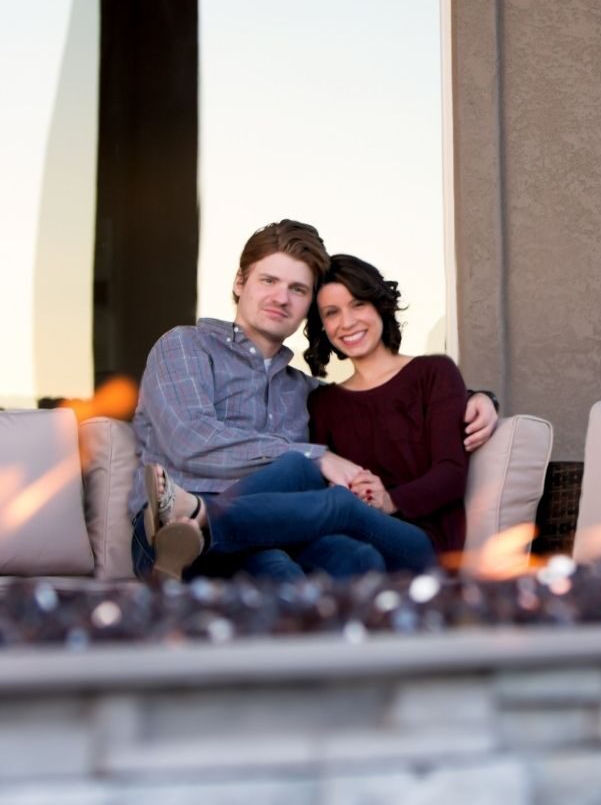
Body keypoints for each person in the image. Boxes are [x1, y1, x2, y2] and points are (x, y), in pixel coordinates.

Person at [129, 219, 498, 581]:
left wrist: (476, 398)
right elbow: (190, 442)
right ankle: (194, 520)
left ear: (308, 308)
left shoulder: (306, 392)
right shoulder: (185, 346)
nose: (281, 298)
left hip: (275, 532)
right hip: (166, 535)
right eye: (269, 280)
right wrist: (315, 456)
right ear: (240, 282)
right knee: (297, 481)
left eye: (298, 289)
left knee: (358, 556)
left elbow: (379, 402)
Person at [305, 254, 469, 565]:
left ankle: (209, 523)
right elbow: (321, 480)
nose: (347, 322)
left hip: (426, 542)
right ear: (323, 326)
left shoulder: (434, 373)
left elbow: (452, 474)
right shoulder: (322, 403)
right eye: (331, 312)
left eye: (358, 304)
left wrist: (389, 499)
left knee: (339, 508)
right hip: (355, 542)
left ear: (379, 305)